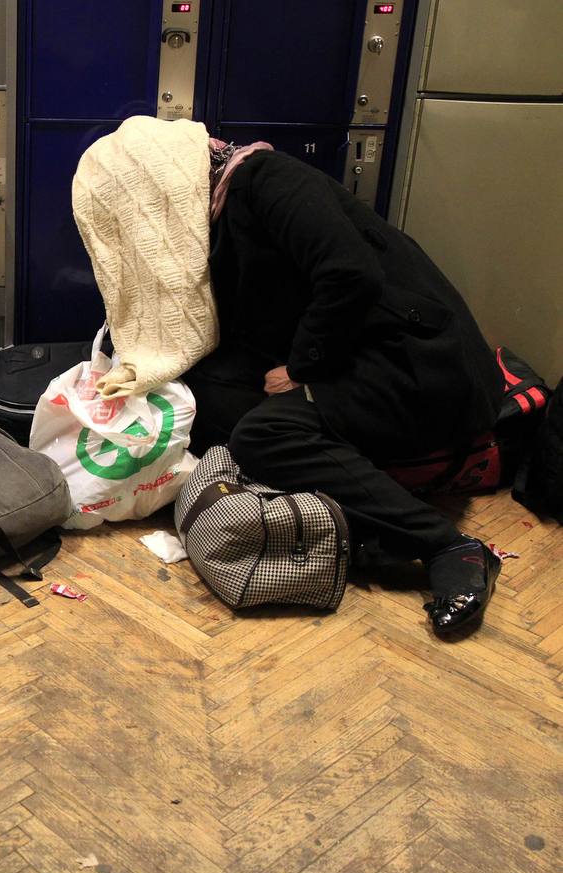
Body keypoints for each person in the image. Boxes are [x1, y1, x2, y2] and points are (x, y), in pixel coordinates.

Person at [78, 118, 500, 635]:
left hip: (422, 367)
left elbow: (350, 274)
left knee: (262, 435)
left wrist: (301, 372)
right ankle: (350, 502)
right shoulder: (220, 208)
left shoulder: (267, 179)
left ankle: (446, 544)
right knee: (206, 392)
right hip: (365, 354)